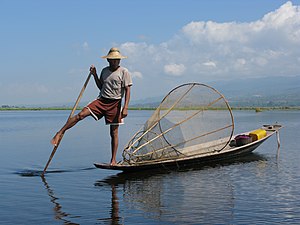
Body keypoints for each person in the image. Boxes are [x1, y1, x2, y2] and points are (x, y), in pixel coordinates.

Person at [51, 47, 132, 165]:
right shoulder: (104, 71)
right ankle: (60, 132)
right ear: (108, 60)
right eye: (113, 60)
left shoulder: (124, 72)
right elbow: (101, 87)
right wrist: (94, 75)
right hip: (101, 100)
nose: (115, 62)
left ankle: (113, 160)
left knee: (114, 133)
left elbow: (128, 90)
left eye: (117, 60)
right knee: (81, 115)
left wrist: (125, 107)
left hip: (115, 103)